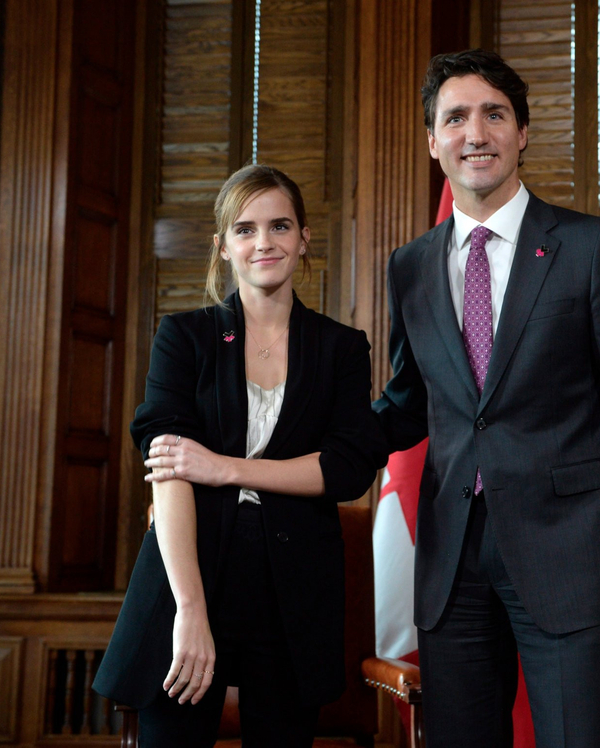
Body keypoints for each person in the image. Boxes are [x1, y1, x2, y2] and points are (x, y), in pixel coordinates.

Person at [372, 49, 600, 747]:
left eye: (493, 114)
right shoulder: (411, 267)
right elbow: (403, 404)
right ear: (433, 141)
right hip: (452, 560)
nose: (474, 132)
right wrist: (284, 443)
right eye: (455, 118)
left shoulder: (590, 247)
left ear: (522, 133)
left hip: (569, 555)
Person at [94, 164, 388, 747]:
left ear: (304, 238)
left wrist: (225, 467)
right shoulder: (184, 338)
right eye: (246, 228)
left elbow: (346, 470)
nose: (264, 242)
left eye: (280, 226)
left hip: (294, 591)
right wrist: (191, 611)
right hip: (189, 574)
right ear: (223, 246)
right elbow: (171, 472)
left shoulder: (341, 349)